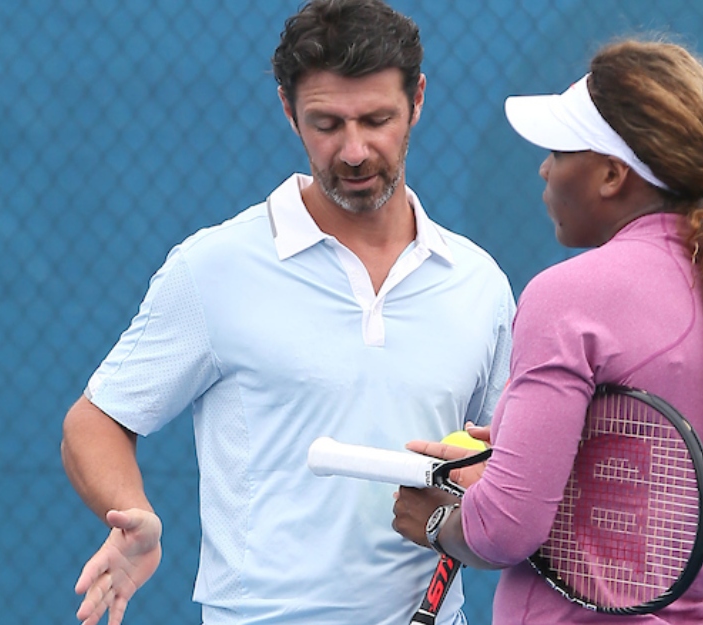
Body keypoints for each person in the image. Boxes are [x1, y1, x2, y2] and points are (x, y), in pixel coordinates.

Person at [60, 1, 515, 623]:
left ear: (418, 101)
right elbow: (96, 420)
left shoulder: (479, 284)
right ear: (287, 110)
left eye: (376, 119)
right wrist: (131, 510)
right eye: (326, 123)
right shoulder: (212, 267)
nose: (353, 151)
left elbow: (502, 464)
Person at [392, 38, 703, 623]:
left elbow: (504, 529)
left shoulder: (567, 296)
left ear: (612, 174)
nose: (544, 167)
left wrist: (437, 521)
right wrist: (539, 461)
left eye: (561, 150)